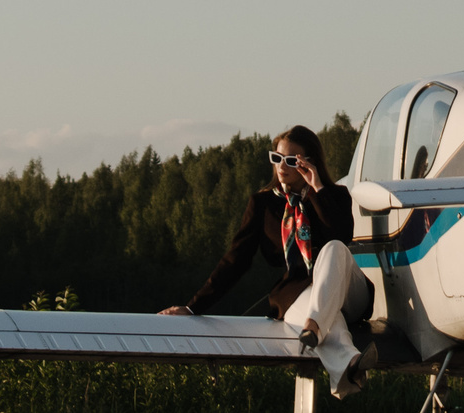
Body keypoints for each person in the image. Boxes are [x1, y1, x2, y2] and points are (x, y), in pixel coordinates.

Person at [159, 125, 374, 397]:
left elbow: (342, 234)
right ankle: (351, 365)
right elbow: (236, 259)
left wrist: (317, 187)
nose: (282, 166)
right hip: (298, 292)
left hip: (348, 290)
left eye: (292, 160)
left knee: (333, 248)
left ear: (310, 163)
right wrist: (193, 308)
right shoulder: (262, 204)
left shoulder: (334, 195)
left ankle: (314, 326)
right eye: (277, 158)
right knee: (319, 314)